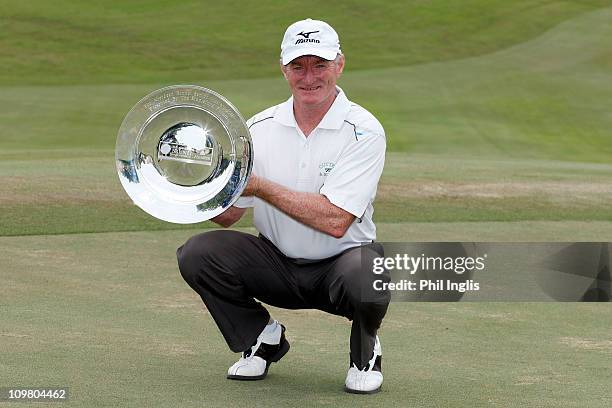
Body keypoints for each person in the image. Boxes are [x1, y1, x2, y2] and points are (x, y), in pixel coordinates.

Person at [176, 18, 390, 394]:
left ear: (339, 65)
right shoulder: (257, 128)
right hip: (275, 264)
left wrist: (259, 185)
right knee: (198, 253)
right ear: (283, 69)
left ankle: (365, 351)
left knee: (370, 271)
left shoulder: (363, 130)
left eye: (319, 65)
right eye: (297, 66)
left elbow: (337, 219)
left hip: (341, 266)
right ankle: (262, 338)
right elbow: (228, 215)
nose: (308, 77)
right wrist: (193, 183)